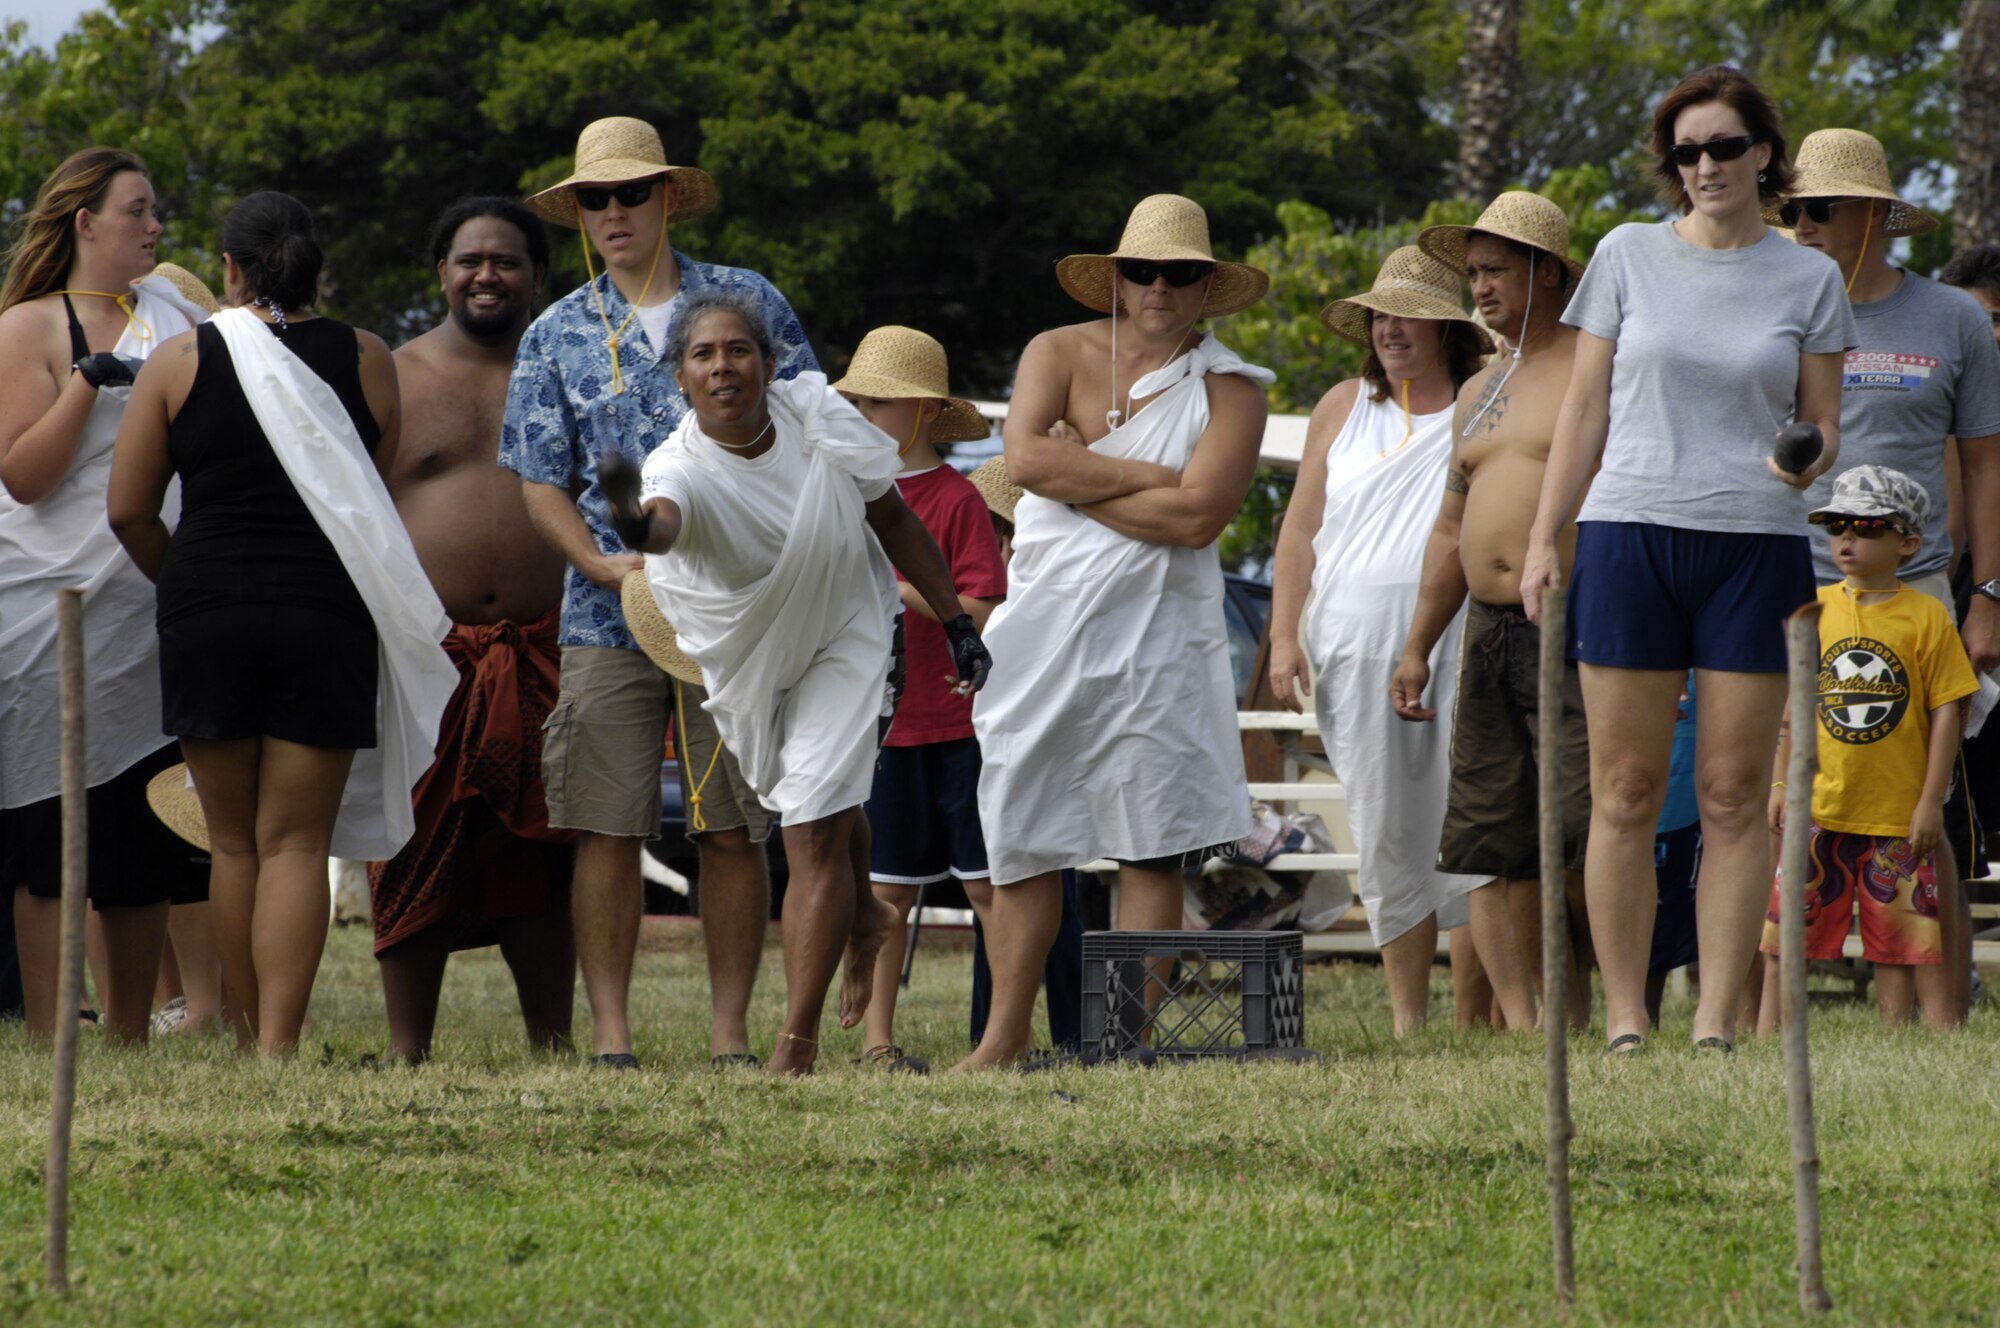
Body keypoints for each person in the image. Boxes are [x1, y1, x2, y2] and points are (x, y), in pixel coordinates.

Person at [1521, 66, 1855, 1054]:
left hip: (1755, 542)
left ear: (1761, 153)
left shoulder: (1808, 276)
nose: (1703, 165)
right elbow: (1582, 411)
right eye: (1684, 152)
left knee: (1729, 792)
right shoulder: (1627, 254)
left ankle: (1714, 1024)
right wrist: (1548, 535)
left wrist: (1807, 455)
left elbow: (1826, 424)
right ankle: (1625, 1017)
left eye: (1721, 146)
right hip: (1629, 531)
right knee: (1622, 786)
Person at [600, 293, 990, 1075]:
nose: (722, 367)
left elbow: (894, 521)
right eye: (703, 355)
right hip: (753, 655)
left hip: (848, 627)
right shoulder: (678, 465)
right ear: (681, 377)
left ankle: (795, 1048)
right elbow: (664, 525)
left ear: (770, 365)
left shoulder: (817, 416)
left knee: (811, 826)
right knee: (824, 800)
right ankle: (867, 914)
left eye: (738, 350)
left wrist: (954, 623)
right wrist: (633, 524)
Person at [108, 191, 457, 1055]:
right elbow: (361, 500)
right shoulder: (371, 358)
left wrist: (186, 584)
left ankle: (243, 1035)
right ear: (314, 266)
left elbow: (129, 512)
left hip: (207, 613)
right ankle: (278, 1050)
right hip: (324, 612)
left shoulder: (179, 360)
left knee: (233, 845)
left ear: (228, 267)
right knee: (297, 842)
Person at [502, 117, 816, 1069]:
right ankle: (610, 1037)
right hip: (608, 608)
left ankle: (729, 1036)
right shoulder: (555, 330)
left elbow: (810, 427)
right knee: (605, 823)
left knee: (732, 826)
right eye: (593, 199)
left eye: (630, 193)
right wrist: (596, 563)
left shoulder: (746, 302)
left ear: (668, 197)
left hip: (735, 609)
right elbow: (535, 475)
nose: (612, 212)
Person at [972, 194, 1269, 1068]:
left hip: (1159, 638)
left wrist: (1079, 474)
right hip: (1045, 624)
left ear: (1207, 286)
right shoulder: (1054, 351)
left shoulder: (1233, 392)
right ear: (1117, 277)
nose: (1159, 287)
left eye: (1180, 274)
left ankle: (1122, 1044)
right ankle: (1001, 1040)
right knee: (1021, 830)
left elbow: (1197, 521)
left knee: (1151, 840)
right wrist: (1151, 474)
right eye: (1143, 270)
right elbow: (1023, 462)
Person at [1778, 128, 2000, 1020]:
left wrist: (1987, 597)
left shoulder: (1951, 317)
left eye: (1817, 209)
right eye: (1790, 211)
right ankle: (1766, 1011)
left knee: (1928, 800)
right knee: (1779, 790)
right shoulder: (1776, 308)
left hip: (1923, 591)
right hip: (1791, 582)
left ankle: (1945, 1008)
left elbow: (1987, 465)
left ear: (1874, 215)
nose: (1800, 226)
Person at [0, 147, 210, 1044]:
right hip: (50, 611)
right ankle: (56, 1030)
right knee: (52, 835)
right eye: (137, 210)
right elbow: (25, 476)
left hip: (154, 609)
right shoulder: (30, 327)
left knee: (141, 835)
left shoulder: (181, 318)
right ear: (84, 223)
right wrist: (90, 382)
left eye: (154, 210)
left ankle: (128, 1032)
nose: (155, 226)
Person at [367, 198, 578, 1063]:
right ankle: (407, 1049)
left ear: (538, 275)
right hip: (429, 655)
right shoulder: (391, 375)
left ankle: (554, 1044)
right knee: (410, 840)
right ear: (441, 274)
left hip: (550, 648)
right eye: (469, 260)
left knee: (543, 851)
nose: (487, 274)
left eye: (507, 261)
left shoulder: (567, 371)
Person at [1269, 245, 1493, 1036]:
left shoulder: (1482, 398)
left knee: (1468, 821)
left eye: (1409, 314)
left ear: (1446, 327)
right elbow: (1300, 530)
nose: (1392, 328)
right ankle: (1407, 1020)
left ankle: (1475, 1017)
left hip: (1462, 635)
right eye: (1381, 314)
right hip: (1348, 644)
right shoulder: (1341, 405)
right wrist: (1281, 638)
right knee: (1385, 823)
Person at [1398, 191, 1594, 1032]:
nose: (1477, 288)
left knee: (1589, 827)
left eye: (1494, 271)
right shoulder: (1480, 384)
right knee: (1486, 832)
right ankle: (1524, 1024)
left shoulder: (1599, 364)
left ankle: (1593, 1009)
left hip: (1577, 621)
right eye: (1471, 272)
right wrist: (1416, 646)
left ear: (1546, 272)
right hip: (1483, 628)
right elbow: (1450, 527)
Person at [829, 327, 1006, 1073]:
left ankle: (1005, 1032)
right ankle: (876, 1046)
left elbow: (978, 609)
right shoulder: (838, 492)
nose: (864, 414)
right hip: (879, 728)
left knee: (986, 886)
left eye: (881, 402)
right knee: (885, 894)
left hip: (957, 723)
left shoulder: (959, 498)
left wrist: (894, 580)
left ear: (927, 410)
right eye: (858, 401)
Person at [1757, 467, 1977, 1031]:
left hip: (1897, 815)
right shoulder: (1813, 607)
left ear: (1907, 542)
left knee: (1901, 939)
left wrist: (1931, 801)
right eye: (1837, 525)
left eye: (1867, 526)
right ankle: (1769, 1034)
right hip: (1818, 805)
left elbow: (1948, 710)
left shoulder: (1927, 616)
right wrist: (1781, 784)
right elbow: (1793, 707)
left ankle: (1897, 1034)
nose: (1847, 539)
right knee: (1787, 934)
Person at [963, 457, 1085, 1055]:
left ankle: (1061, 1028)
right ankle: (1002, 1030)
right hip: (993, 743)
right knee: (1011, 884)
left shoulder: (1039, 599)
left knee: (1031, 884)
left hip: (1033, 742)